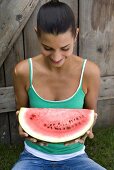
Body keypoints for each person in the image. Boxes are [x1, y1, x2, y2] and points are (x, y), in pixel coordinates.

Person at [12, 0, 106, 169]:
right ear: (37, 34)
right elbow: (21, 111)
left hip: (76, 157)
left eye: (65, 48)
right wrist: (22, 125)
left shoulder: (90, 72)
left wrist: (88, 128)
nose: (56, 57)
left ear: (76, 35)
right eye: (47, 48)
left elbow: (90, 113)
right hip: (33, 156)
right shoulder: (23, 71)